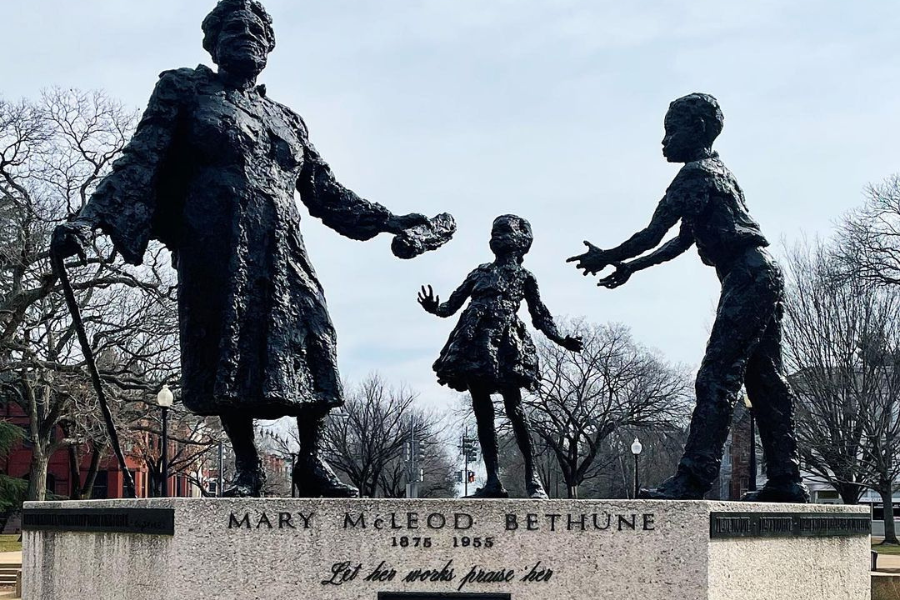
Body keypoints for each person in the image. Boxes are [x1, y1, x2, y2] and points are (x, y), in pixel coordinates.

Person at [51, 0, 449, 498]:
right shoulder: (185, 90)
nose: (245, 35)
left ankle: (310, 462)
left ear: (270, 45)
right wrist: (89, 222)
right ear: (212, 43)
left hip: (283, 246)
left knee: (315, 340)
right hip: (217, 240)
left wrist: (390, 221)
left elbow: (325, 192)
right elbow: (140, 159)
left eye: (255, 28)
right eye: (232, 28)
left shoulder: (287, 119)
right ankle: (246, 468)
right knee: (229, 346)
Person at [568, 93, 808, 502]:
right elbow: (682, 240)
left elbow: (652, 233)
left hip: (748, 276)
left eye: (671, 130)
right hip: (758, 273)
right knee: (765, 379)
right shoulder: (718, 174)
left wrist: (608, 255)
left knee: (716, 376)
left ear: (696, 130)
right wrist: (631, 267)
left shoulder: (696, 174)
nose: (664, 140)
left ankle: (694, 478)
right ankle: (786, 478)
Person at [419, 215, 583, 498]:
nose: (497, 237)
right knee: (482, 412)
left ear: (522, 242)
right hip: (473, 343)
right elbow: (451, 305)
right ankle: (493, 480)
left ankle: (533, 480)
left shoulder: (524, 277)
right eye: (495, 232)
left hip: (507, 345)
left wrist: (560, 339)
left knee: (515, 411)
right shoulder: (479, 273)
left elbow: (540, 315)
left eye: (505, 232)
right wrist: (435, 308)